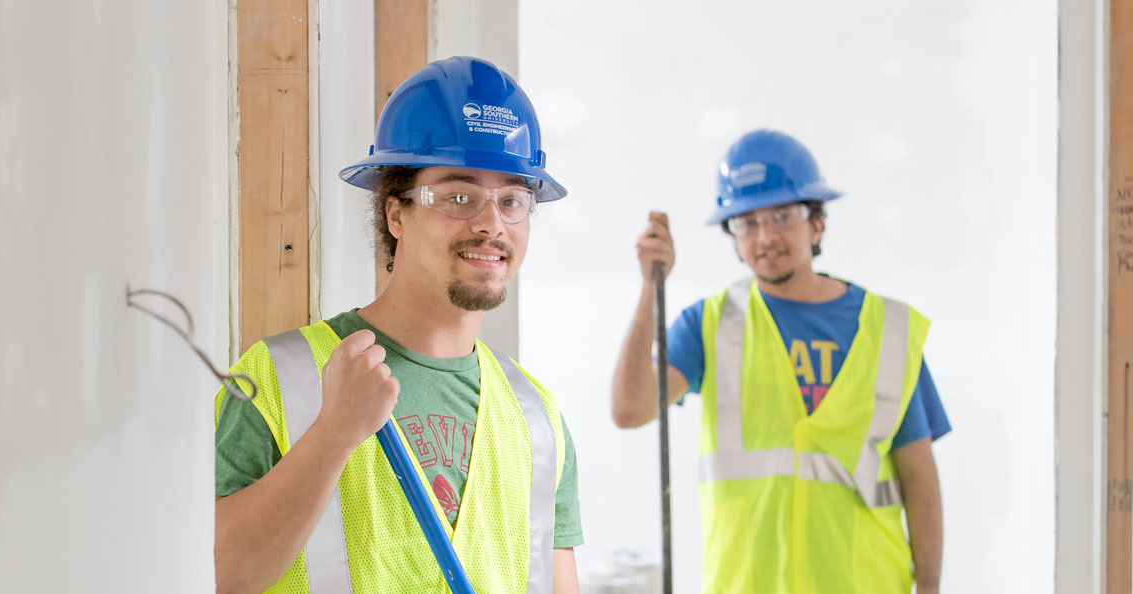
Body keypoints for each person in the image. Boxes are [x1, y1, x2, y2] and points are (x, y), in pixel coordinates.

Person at [213, 56, 583, 594]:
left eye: (512, 200)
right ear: (395, 215)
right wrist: (332, 436)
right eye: (459, 197)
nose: (490, 224)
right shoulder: (279, 378)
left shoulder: (537, 420)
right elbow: (217, 574)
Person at [610, 130, 950, 593]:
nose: (765, 236)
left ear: (816, 222)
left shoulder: (886, 330)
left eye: (782, 216)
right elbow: (629, 410)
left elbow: (919, 476)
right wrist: (652, 288)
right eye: (747, 222)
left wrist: (929, 586)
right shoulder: (710, 324)